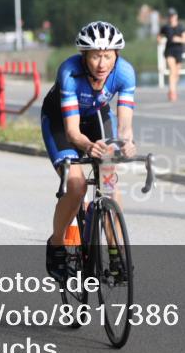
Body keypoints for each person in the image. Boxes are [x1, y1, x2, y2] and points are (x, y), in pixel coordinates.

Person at [41, 21, 136, 280]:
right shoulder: (70, 73)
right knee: (76, 185)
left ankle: (116, 254)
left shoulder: (125, 73)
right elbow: (72, 132)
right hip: (61, 122)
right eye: (95, 56)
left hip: (96, 116)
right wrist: (88, 146)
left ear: (116, 55)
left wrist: (126, 142)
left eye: (107, 56)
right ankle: (57, 244)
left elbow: (125, 124)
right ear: (84, 56)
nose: (102, 63)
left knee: (109, 182)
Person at [158, 8, 185, 102]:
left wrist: (178, 39)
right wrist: (159, 40)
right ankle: (172, 91)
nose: (171, 18)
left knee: (177, 73)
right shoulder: (166, 27)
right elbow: (159, 35)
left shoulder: (181, 27)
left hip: (178, 51)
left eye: (173, 16)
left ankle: (173, 88)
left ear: (176, 16)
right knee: (172, 70)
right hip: (169, 50)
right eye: (170, 16)